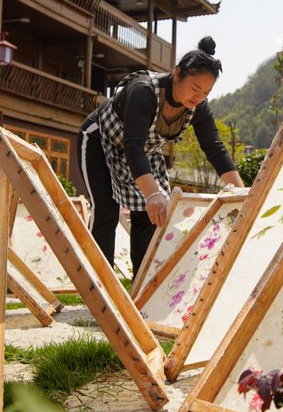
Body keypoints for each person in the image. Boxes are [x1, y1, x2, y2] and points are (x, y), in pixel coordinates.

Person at [79, 36, 244, 274]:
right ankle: (100, 287)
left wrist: (241, 194)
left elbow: (215, 149)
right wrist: (152, 193)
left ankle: (139, 290)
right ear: (177, 74)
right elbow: (132, 143)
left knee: (153, 216)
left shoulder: (198, 108)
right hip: (101, 143)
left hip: (143, 153)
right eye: (195, 88)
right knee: (106, 212)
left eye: (206, 92)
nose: (198, 97)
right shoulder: (144, 91)